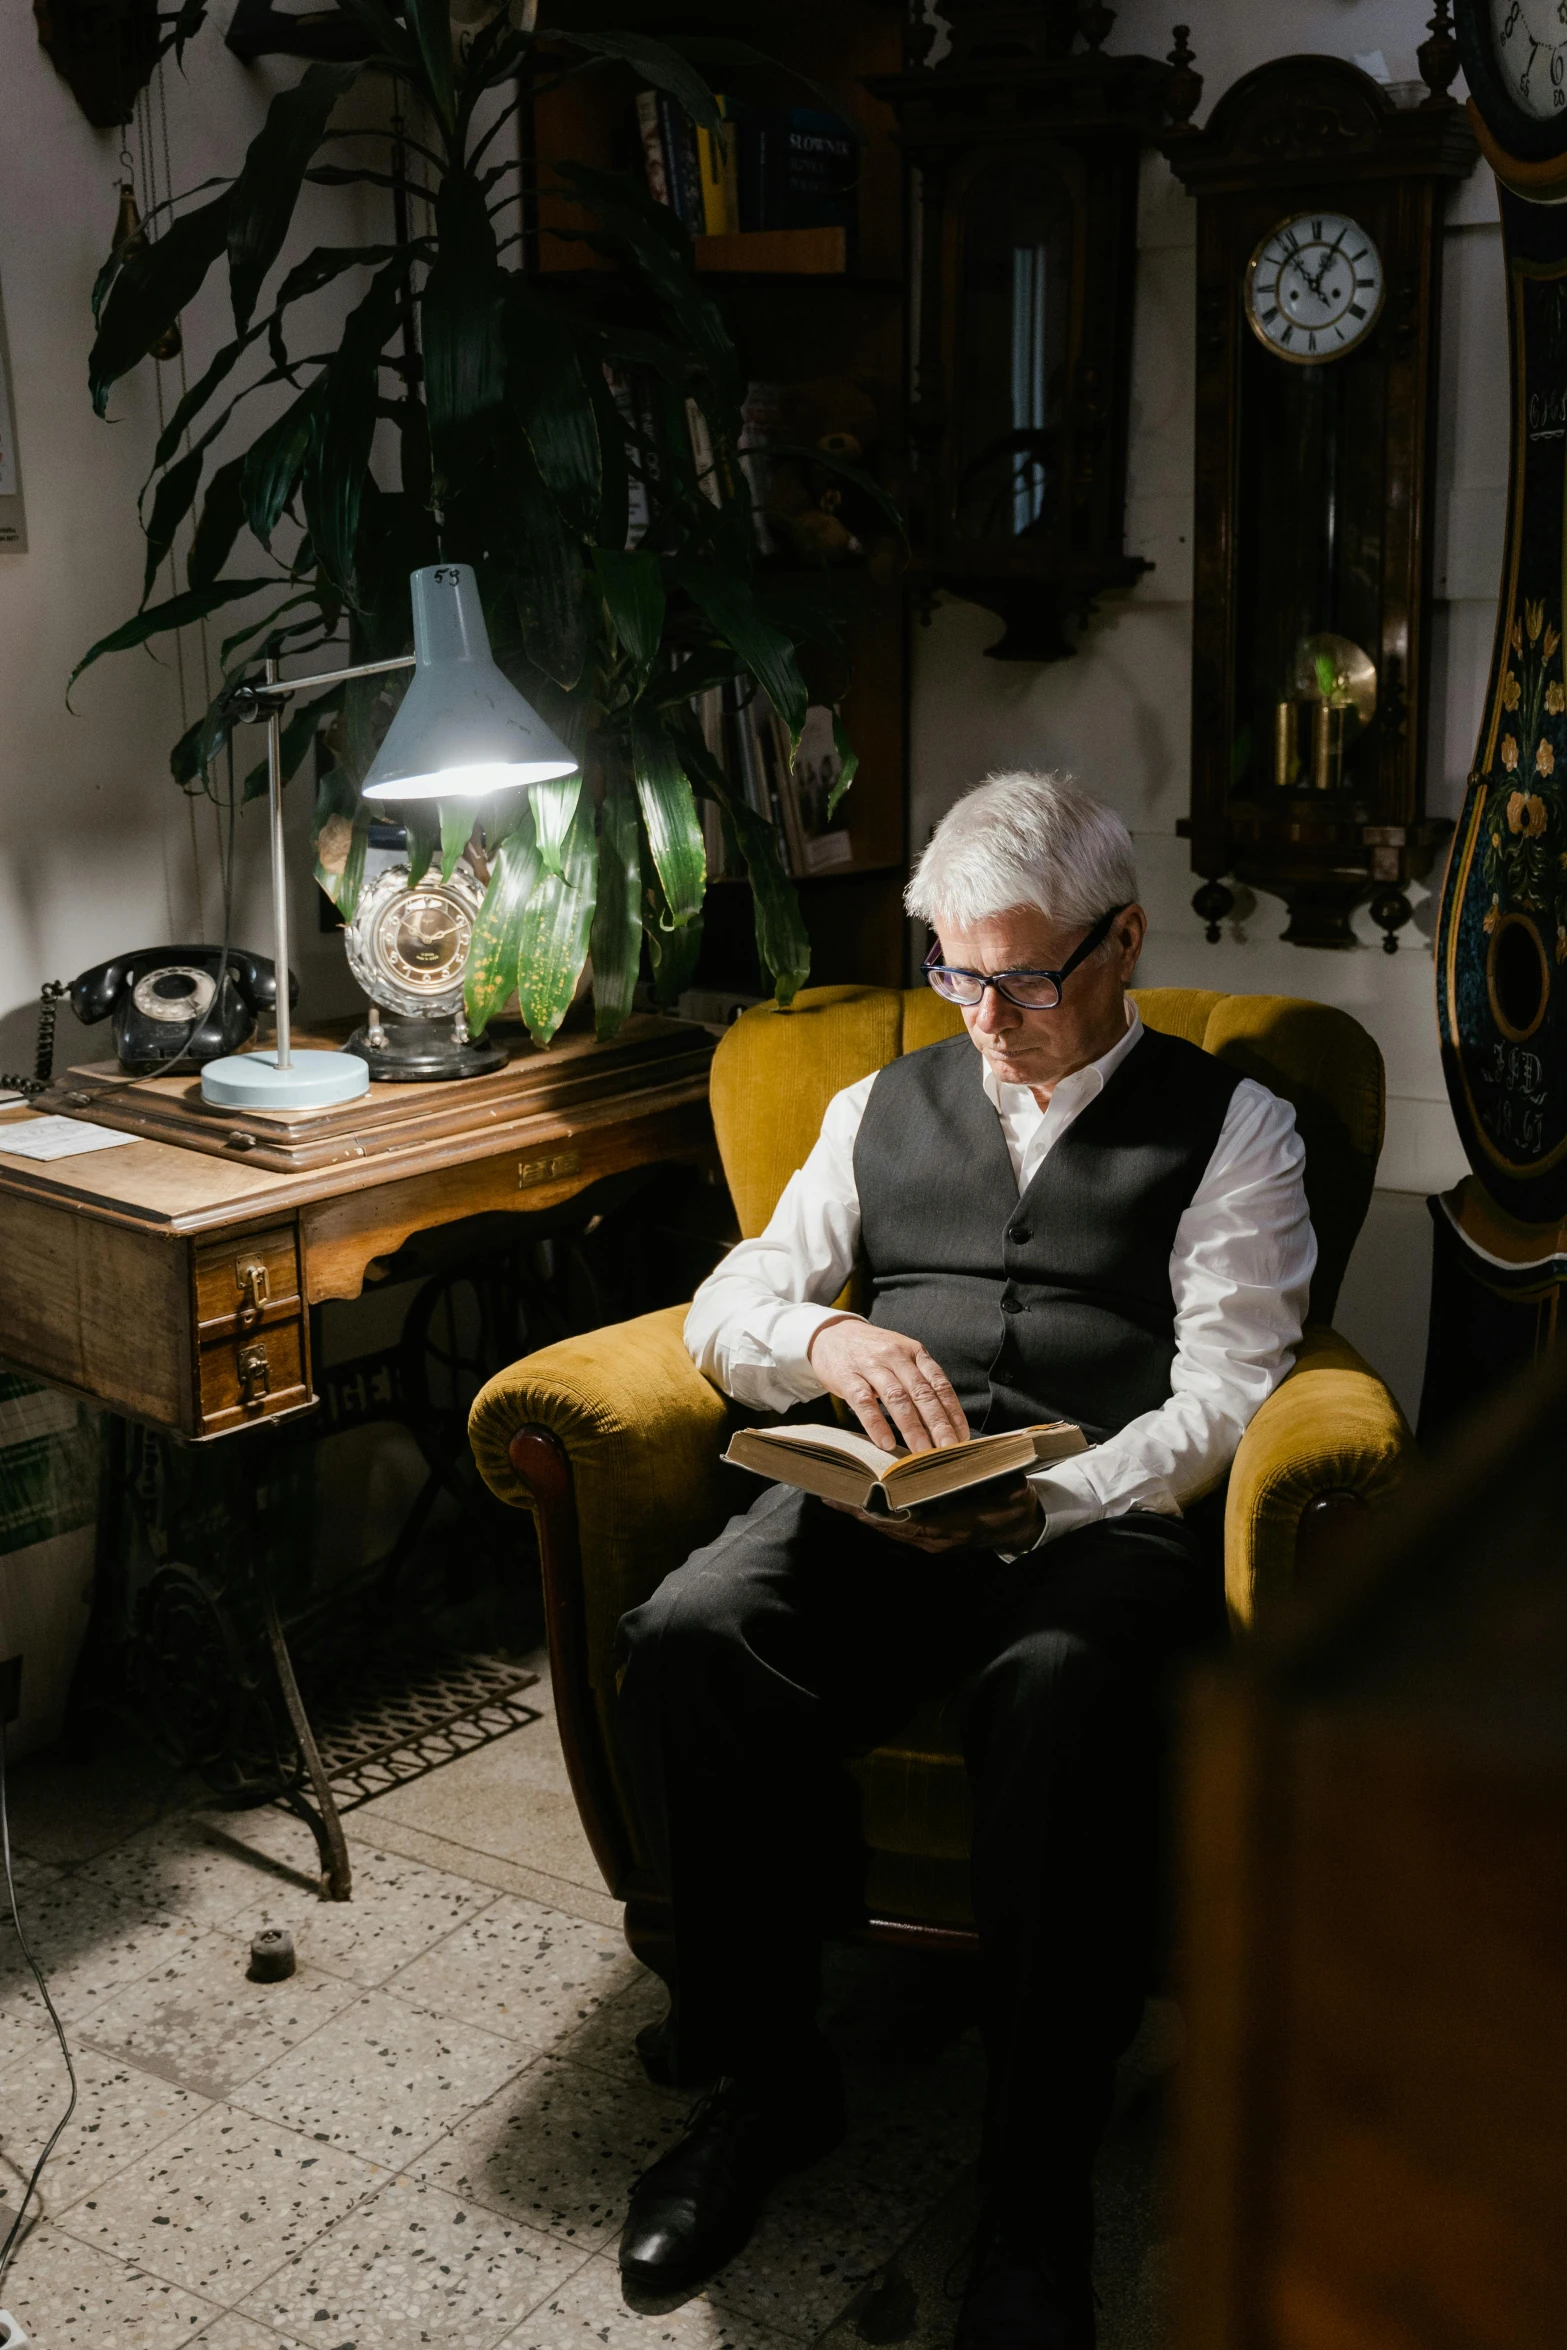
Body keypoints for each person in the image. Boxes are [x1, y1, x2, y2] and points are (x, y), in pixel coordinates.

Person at [613, 772, 1315, 2347]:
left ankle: (1032, 2197)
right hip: (879, 1513)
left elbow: (1224, 1392)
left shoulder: (1234, 1126)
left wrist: (1051, 1500)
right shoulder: (877, 1107)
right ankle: (768, 2081)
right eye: (953, 969)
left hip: (1091, 1527)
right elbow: (728, 1310)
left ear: (1121, 940)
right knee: (688, 1630)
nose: (984, 1014)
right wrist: (827, 1332)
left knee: (1060, 1699)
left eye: (1022, 974)